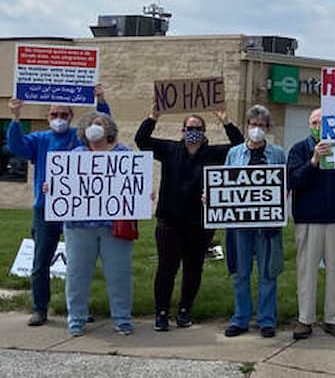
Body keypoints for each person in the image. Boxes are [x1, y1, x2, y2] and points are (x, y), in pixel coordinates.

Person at [6, 85, 110, 326]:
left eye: (64, 115)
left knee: (79, 263)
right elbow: (16, 146)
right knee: (41, 261)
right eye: (54, 115)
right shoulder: (40, 139)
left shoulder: (79, 136)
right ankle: (40, 308)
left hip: (76, 209)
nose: (59, 119)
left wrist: (101, 101)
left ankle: (79, 308)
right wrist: (15, 116)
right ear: (47, 117)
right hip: (45, 209)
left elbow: (103, 129)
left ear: (72, 117)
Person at [135, 103, 243, 332]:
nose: (193, 131)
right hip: (170, 222)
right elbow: (142, 140)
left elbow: (239, 146)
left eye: (198, 128)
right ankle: (161, 313)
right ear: (182, 131)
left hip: (200, 223)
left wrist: (225, 121)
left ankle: (185, 311)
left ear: (204, 133)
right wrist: (153, 115)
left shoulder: (214, 154)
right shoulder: (169, 150)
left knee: (193, 269)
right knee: (166, 268)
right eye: (189, 128)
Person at [287, 108, 335, 340]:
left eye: (322, 121)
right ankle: (305, 320)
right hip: (308, 219)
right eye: (314, 121)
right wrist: (314, 161)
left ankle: (333, 319)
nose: (318, 125)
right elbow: (293, 180)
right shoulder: (299, 149)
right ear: (308, 124)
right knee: (306, 272)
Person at [60, 111, 135, 336]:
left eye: (100, 123)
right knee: (76, 275)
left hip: (114, 227)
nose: (95, 126)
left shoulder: (124, 154)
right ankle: (76, 320)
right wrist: (52, 189)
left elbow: (134, 184)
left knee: (119, 274)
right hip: (79, 227)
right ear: (83, 130)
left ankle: (122, 319)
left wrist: (142, 195)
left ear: (109, 129)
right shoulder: (76, 154)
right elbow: (65, 184)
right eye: (91, 123)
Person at [223, 105, 285, 338]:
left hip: (267, 225)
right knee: (241, 272)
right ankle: (240, 319)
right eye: (253, 124)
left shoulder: (278, 154)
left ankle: (266, 320)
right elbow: (224, 183)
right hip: (240, 224)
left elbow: (284, 186)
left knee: (268, 273)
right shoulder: (234, 153)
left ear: (267, 128)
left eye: (261, 125)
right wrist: (213, 196)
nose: (256, 129)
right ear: (246, 126)